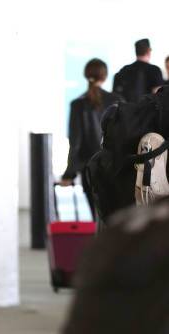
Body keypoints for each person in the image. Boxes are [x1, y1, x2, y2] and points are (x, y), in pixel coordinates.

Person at [60, 59, 122, 219]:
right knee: (114, 215)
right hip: (115, 167)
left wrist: (69, 173)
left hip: (89, 168)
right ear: (105, 76)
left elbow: (76, 143)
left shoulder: (77, 105)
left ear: (86, 76)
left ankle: (100, 242)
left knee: (97, 215)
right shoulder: (118, 101)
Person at [113, 38, 164, 103]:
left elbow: (116, 95)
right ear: (149, 51)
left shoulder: (124, 70)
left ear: (136, 51)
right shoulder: (155, 70)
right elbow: (158, 96)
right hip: (147, 111)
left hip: (127, 111)